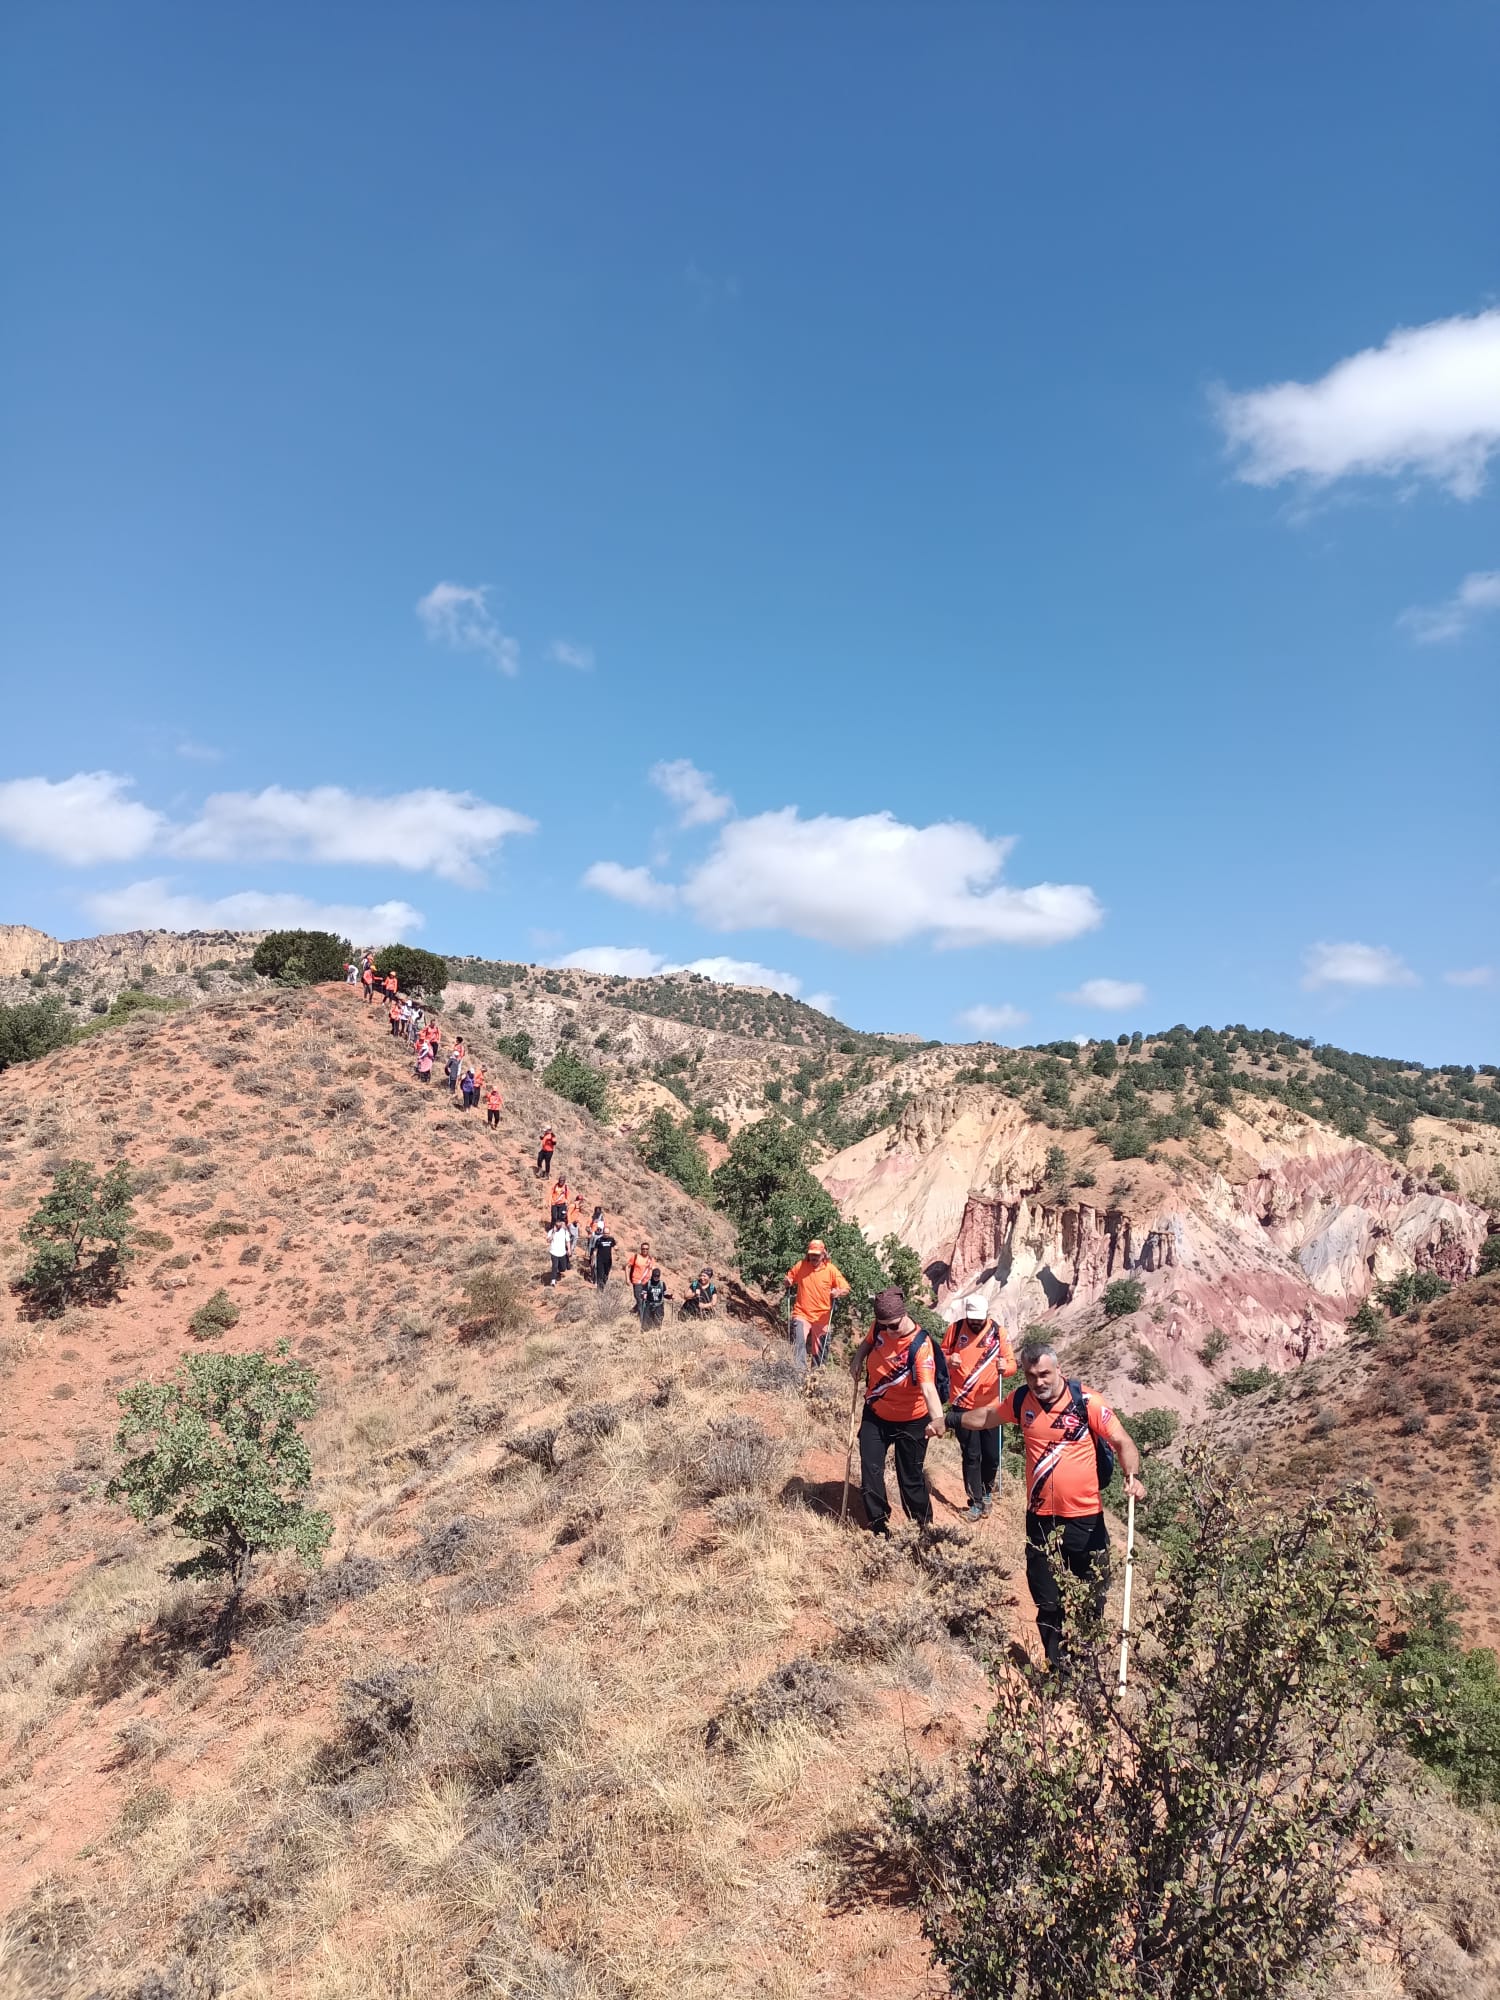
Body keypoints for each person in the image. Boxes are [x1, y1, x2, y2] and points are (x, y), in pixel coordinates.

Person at [960, 1338, 1144, 1672]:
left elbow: (1122, 1441)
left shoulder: (1086, 1402)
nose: (1039, 1382)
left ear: (1059, 1369)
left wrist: (1132, 1476)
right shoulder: (1021, 1401)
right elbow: (987, 1416)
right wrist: (950, 1420)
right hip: (1040, 1520)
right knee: (1047, 1600)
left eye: (1044, 1374)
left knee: (1091, 1599)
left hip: (1085, 1521)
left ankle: (1085, 1668)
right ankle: (1058, 1671)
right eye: (1031, 1376)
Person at [850, 1287, 945, 1536]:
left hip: (913, 1421)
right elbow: (867, 1342)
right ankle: (879, 1525)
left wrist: (938, 1419)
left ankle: (924, 1530)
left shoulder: (920, 1346)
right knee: (870, 1470)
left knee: (910, 1478)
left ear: (904, 1314)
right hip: (876, 1413)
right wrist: (857, 1359)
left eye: (893, 1325)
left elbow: (928, 1388)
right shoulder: (880, 1327)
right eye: (884, 1326)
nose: (889, 1330)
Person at [943, 1293, 1017, 1521]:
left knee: (992, 1455)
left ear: (987, 1315)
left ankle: (986, 1491)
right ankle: (975, 1501)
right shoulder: (955, 1330)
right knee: (971, 1454)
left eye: (979, 1319)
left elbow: (1012, 1364)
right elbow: (940, 1355)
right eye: (972, 1319)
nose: (975, 1323)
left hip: (991, 1407)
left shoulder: (998, 1333)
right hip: (962, 1403)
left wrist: (1006, 1367)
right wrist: (949, 1360)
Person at [783, 1239, 851, 1373]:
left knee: (820, 1352)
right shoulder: (801, 1265)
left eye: (817, 1255)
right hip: (801, 1313)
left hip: (822, 1318)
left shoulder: (831, 1270)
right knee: (798, 1342)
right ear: (808, 1254)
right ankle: (799, 1374)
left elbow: (846, 1288)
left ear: (823, 1254)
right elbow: (789, 1278)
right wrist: (788, 1281)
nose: (814, 1257)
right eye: (812, 1254)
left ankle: (816, 1378)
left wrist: (838, 1292)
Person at [628, 1239, 654, 1313]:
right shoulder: (636, 1257)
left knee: (644, 1299)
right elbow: (627, 1266)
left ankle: (633, 1311)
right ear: (641, 1249)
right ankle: (641, 1317)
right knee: (639, 1299)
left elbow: (652, 1270)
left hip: (646, 1283)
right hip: (637, 1281)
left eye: (646, 1249)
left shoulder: (651, 1259)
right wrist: (627, 1279)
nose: (645, 1250)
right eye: (643, 1248)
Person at [546, 1219, 571, 1286]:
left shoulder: (565, 1232)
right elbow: (548, 1240)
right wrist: (553, 1232)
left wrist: (569, 1249)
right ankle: (553, 1280)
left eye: (559, 1225)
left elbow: (568, 1241)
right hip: (554, 1252)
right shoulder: (551, 1231)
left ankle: (558, 1272)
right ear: (555, 1225)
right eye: (557, 1225)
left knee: (563, 1268)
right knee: (555, 1266)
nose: (558, 1227)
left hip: (562, 1252)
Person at [592, 1225, 616, 1290]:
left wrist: (616, 1249)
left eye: (607, 1233)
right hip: (600, 1260)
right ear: (603, 1233)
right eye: (605, 1233)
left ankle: (603, 1284)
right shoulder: (599, 1240)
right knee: (600, 1274)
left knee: (606, 1274)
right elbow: (595, 1251)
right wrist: (593, 1260)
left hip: (608, 1260)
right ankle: (600, 1290)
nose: (606, 1234)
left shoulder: (611, 1239)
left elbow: (614, 1246)